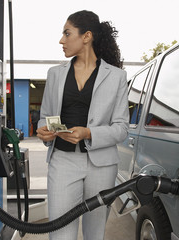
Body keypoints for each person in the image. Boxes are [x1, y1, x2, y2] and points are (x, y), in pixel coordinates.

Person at [36, 10, 129, 240]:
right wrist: (44, 131)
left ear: (86, 36)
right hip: (63, 161)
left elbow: (121, 128)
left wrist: (89, 133)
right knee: (59, 233)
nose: (61, 40)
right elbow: (45, 116)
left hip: (102, 165)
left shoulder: (116, 76)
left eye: (67, 34)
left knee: (94, 234)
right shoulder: (55, 74)